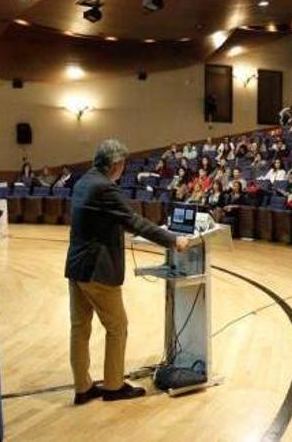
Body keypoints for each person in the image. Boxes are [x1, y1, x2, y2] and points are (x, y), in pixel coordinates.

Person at [65, 139, 192, 404]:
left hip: (76, 265)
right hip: (97, 269)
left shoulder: (84, 181)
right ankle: (113, 386)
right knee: (117, 326)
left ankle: (83, 387)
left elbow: (99, 219)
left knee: (80, 328)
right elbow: (134, 221)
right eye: (123, 164)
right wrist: (173, 240)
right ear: (115, 164)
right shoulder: (104, 188)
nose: (124, 169)